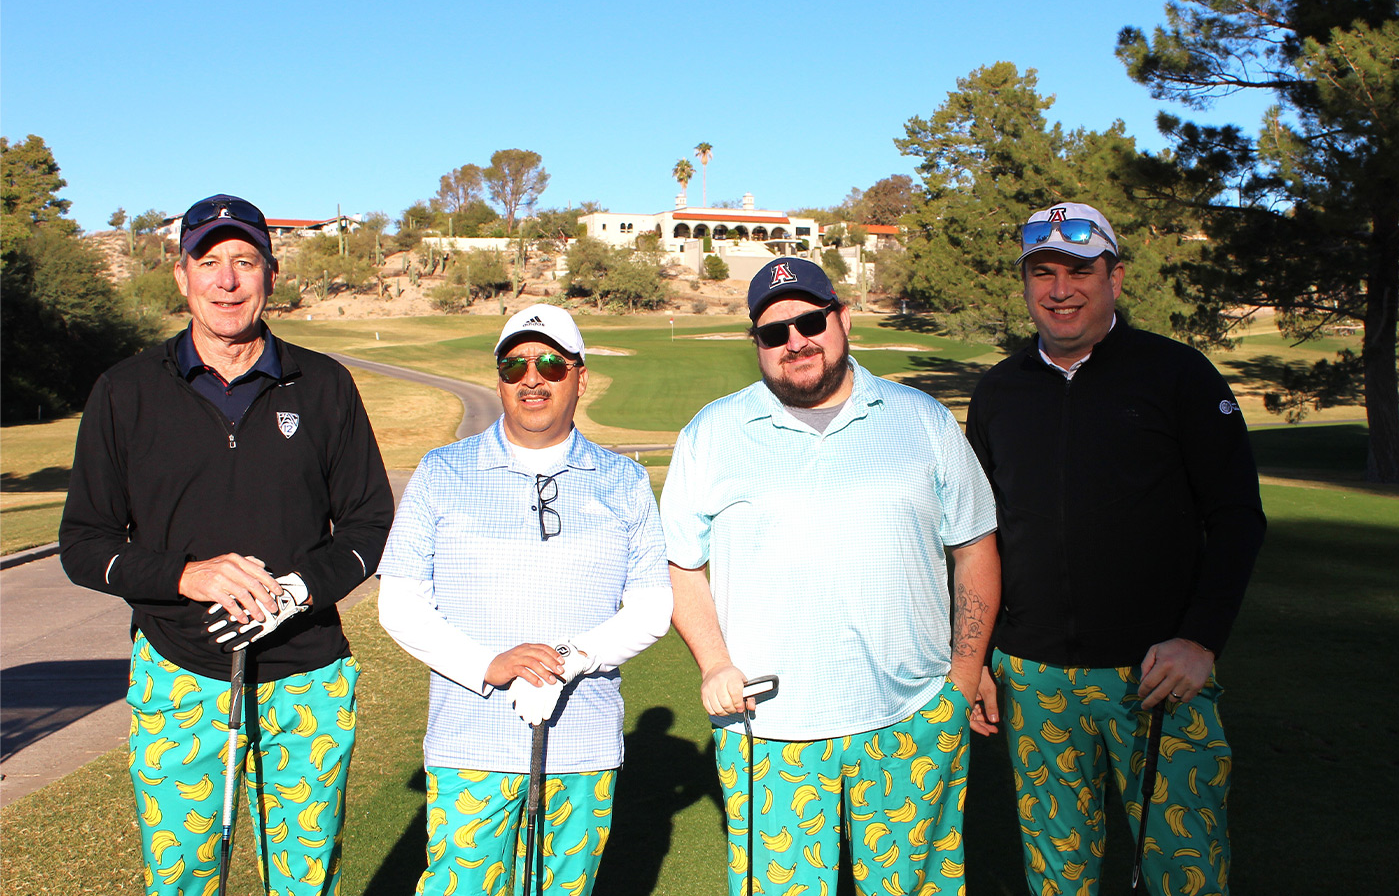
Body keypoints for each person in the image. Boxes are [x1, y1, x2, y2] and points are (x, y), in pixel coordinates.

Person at [60, 194, 395, 895]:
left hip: (306, 674)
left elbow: (367, 524)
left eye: (245, 261)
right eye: (208, 262)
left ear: (270, 274)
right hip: (179, 673)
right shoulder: (125, 392)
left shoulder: (323, 384)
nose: (227, 281)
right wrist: (188, 576)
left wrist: (301, 589)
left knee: (305, 882)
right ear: (181, 276)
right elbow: (84, 545)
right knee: (181, 882)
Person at [661, 258, 1001, 896]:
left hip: (911, 718)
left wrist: (962, 673)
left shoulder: (919, 418)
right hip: (768, 728)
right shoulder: (712, 431)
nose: (795, 341)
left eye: (810, 320)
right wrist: (712, 664)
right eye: (773, 332)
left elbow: (976, 547)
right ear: (757, 345)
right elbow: (681, 563)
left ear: (842, 319)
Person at [965, 202, 1267, 895]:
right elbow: (979, 535)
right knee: (1056, 873)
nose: (1060, 289)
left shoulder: (1178, 376)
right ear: (1026, 284)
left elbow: (1237, 518)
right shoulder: (999, 391)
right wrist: (976, 657)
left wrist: (1200, 639)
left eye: (1079, 270)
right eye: (1043, 272)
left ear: (1115, 278)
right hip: (1033, 676)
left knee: (1182, 870)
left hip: (1157, 673)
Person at [376, 304, 673, 896]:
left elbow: (651, 608)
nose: (531, 377)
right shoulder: (442, 471)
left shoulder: (624, 480)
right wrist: (489, 665)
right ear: (500, 380)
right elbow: (399, 602)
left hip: (582, 743)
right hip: (469, 739)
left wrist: (565, 658)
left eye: (549, 364)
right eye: (514, 365)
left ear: (579, 377)